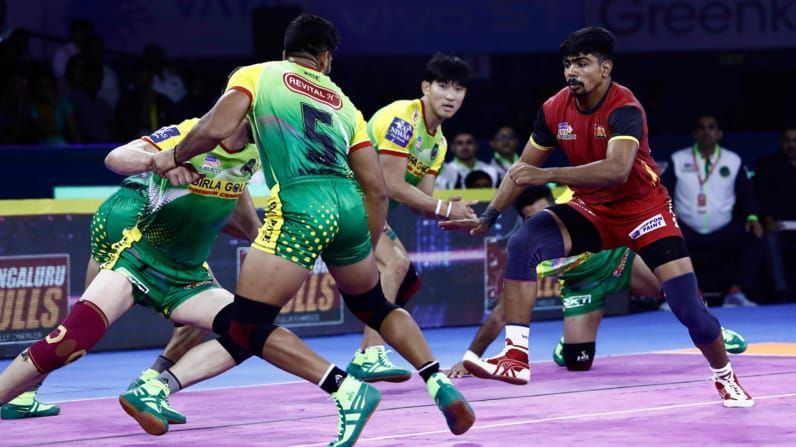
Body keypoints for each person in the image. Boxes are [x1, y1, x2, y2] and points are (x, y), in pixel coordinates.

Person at [137, 15, 475, 445]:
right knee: (374, 305)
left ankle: (346, 390)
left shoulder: (258, 74)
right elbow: (376, 188)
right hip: (349, 208)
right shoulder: (345, 104)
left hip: (301, 205)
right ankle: (438, 381)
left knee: (248, 327)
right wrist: (365, 245)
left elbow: (215, 129)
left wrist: (173, 156)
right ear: (326, 58)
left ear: (286, 51)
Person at [441, 27, 753, 408]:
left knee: (689, 310)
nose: (572, 72)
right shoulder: (554, 109)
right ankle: (516, 357)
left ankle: (725, 375)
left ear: (605, 69)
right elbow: (521, 171)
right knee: (523, 241)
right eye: (568, 64)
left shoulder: (625, 107)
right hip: (592, 211)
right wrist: (488, 217)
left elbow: (617, 170)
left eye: (582, 64)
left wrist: (548, 174)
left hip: (644, 212)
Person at [0, 116, 263, 423]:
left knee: (80, 328)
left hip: (141, 225)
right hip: (134, 216)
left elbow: (236, 189)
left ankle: (26, 392)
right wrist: (161, 161)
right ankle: (151, 384)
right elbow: (118, 156)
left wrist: (262, 238)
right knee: (195, 311)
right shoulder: (195, 131)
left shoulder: (255, 149)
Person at [445, 185, 748, 378]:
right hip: (582, 287)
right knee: (578, 363)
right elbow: (502, 313)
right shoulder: (534, 248)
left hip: (620, 261)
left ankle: (712, 329)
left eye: (546, 212)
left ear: (554, 200)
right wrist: (470, 358)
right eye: (533, 219)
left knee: (678, 288)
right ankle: (570, 342)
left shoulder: (574, 197)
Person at [344, 53, 476, 383]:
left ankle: (366, 354)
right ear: (425, 87)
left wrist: (451, 210)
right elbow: (392, 185)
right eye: (443, 86)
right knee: (395, 264)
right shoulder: (404, 119)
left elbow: (422, 202)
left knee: (402, 273)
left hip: (368, 206)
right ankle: (369, 355)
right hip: (344, 198)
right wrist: (444, 208)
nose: (451, 95)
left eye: (459, 89)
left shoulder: (438, 143)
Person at [662, 115, 763, 307]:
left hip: (723, 230)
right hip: (686, 230)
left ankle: (736, 292)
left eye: (711, 127)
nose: (706, 131)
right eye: (701, 127)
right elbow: (663, 192)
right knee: (663, 241)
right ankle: (681, 297)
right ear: (694, 134)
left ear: (719, 134)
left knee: (755, 237)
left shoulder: (732, 160)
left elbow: (747, 194)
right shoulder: (678, 159)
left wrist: (752, 217)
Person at [754, 126, 796, 301]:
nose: (791, 145)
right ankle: (781, 290)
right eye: (787, 140)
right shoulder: (768, 165)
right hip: (778, 225)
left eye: (795, 141)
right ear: (781, 142)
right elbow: (758, 196)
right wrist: (767, 219)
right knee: (769, 238)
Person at [435, 132, 499, 189]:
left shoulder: (491, 170)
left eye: (469, 142)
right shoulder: (444, 171)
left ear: (476, 145)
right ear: (452, 147)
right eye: (459, 143)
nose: (465, 147)